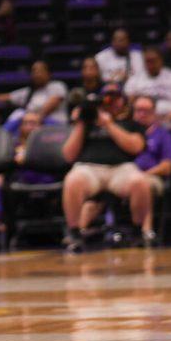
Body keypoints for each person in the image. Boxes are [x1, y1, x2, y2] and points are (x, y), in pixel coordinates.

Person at [60, 85, 148, 252]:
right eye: (107, 98)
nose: (111, 102)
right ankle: (74, 233)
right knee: (72, 180)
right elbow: (69, 155)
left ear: (123, 101)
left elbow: (135, 147)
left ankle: (138, 232)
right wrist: (81, 124)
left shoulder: (130, 123)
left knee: (140, 182)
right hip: (90, 169)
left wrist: (109, 124)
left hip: (121, 169)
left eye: (115, 98)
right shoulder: (86, 124)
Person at [81, 95, 171, 244]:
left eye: (147, 111)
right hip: (119, 174)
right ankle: (79, 232)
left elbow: (167, 166)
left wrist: (143, 174)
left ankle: (145, 231)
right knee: (97, 189)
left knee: (142, 184)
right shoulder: (122, 129)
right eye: (139, 110)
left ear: (154, 112)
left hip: (150, 175)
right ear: (132, 111)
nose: (142, 114)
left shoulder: (163, 133)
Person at [0, 59, 68, 130]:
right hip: (32, 126)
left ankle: (2, 134)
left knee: (20, 115)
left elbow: (45, 110)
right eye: (34, 71)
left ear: (49, 74)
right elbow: (1, 97)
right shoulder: (28, 92)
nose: (37, 74)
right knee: (18, 114)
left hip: (55, 125)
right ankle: (1, 135)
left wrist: (29, 119)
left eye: (40, 71)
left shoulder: (57, 86)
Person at [124, 46, 171, 124]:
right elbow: (129, 104)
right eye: (147, 61)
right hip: (142, 122)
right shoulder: (134, 79)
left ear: (161, 60)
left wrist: (167, 120)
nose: (150, 64)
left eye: (153, 60)